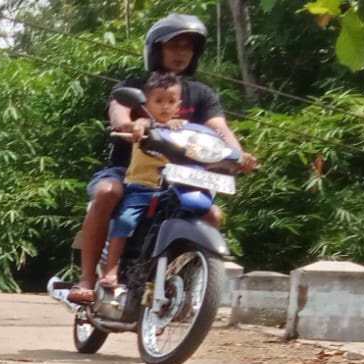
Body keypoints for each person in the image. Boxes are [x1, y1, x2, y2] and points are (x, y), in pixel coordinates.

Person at [68, 14, 255, 303]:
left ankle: (182, 283)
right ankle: (87, 280)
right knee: (108, 192)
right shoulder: (136, 83)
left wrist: (237, 154)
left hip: (179, 176)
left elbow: (220, 129)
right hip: (129, 172)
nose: (181, 53)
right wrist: (125, 125)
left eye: (188, 47)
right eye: (174, 45)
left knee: (211, 215)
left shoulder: (202, 94)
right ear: (156, 49)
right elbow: (119, 107)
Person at [98, 71, 183, 290]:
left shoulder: (184, 128)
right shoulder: (144, 122)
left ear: (179, 105)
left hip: (173, 190)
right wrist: (138, 126)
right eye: (159, 101)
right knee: (125, 220)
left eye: (171, 101)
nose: (165, 106)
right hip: (140, 188)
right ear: (146, 103)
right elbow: (140, 124)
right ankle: (111, 268)